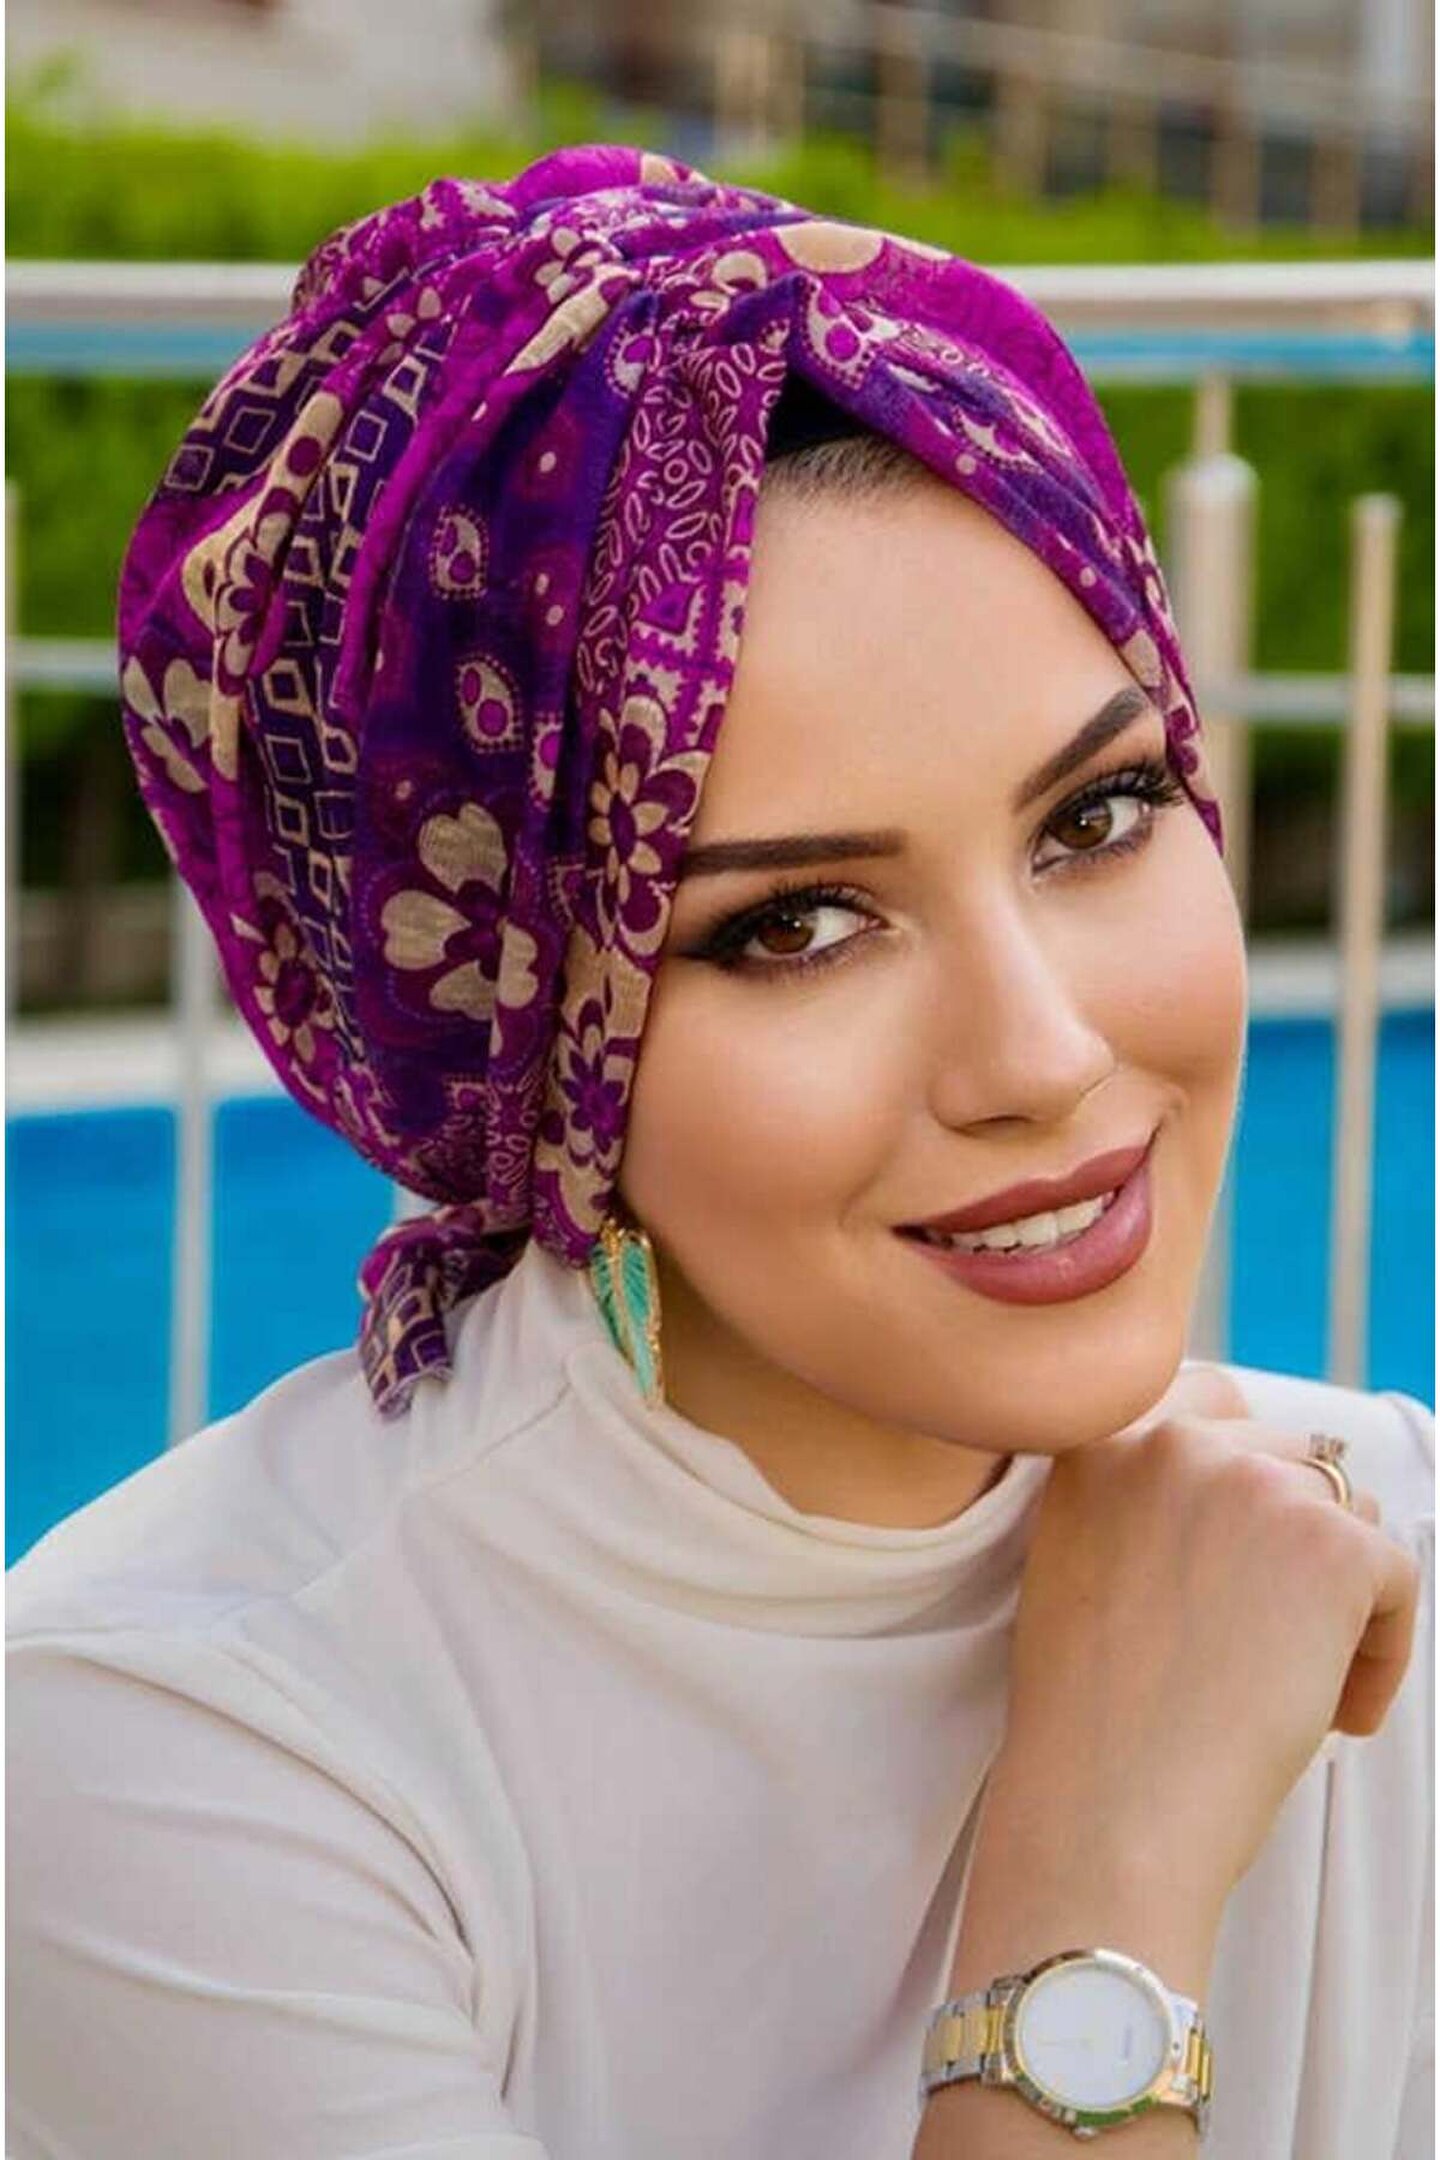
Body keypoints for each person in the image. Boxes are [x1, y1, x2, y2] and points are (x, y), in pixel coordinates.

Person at [6, 144, 1431, 2160]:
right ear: (527, 1052)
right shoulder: (187, 1745)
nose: (1043, 1053)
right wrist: (1105, 1881)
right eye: (794, 926)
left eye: (1097, 817)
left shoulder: (1383, 1544)